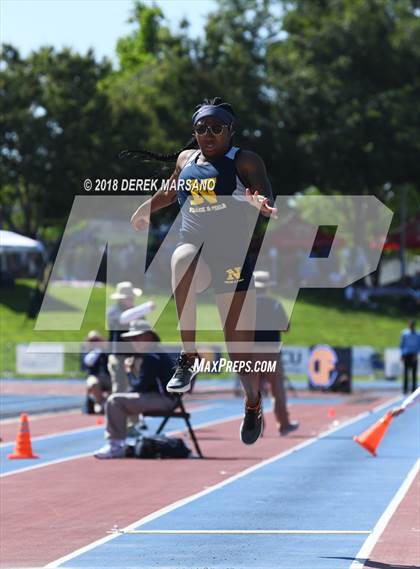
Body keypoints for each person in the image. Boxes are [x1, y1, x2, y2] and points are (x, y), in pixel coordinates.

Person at [127, 97, 277, 445]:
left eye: (215, 128)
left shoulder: (244, 161)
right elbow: (171, 189)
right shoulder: (186, 159)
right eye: (200, 128)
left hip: (231, 261)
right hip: (195, 249)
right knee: (181, 260)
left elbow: (264, 194)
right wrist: (145, 208)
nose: (207, 134)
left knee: (239, 353)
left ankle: (253, 402)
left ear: (230, 131)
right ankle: (188, 355)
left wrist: (262, 203)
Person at [94, 320, 177, 459]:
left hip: (165, 400)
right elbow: (143, 387)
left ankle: (116, 445)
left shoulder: (152, 356)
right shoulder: (152, 353)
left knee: (115, 401)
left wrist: (129, 372)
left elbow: (141, 386)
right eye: (132, 338)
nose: (134, 341)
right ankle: (120, 441)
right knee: (118, 400)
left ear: (149, 337)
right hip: (162, 397)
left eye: (137, 337)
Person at [253, 270, 299, 435]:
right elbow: (285, 327)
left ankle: (257, 427)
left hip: (251, 352)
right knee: (277, 389)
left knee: (253, 391)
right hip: (272, 351)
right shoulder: (275, 304)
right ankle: (283, 424)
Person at [107, 281, 143, 393]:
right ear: (121, 299)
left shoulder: (136, 312)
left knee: (136, 385)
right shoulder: (113, 311)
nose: (132, 299)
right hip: (119, 354)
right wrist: (146, 308)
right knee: (119, 385)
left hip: (135, 355)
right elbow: (123, 319)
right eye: (129, 297)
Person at [81, 330, 111, 414]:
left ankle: (107, 403)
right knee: (93, 383)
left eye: (97, 340)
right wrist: (97, 350)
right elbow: (88, 362)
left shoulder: (106, 350)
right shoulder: (86, 351)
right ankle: (101, 403)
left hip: (108, 377)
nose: (95, 342)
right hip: (95, 376)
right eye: (92, 340)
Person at [400, 320, 419, 394]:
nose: (411, 327)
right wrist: (402, 354)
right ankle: (405, 389)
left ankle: (413, 389)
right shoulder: (405, 334)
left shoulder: (418, 334)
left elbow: (419, 345)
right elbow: (402, 344)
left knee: (414, 373)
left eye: (412, 325)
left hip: (414, 355)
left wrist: (416, 353)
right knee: (406, 373)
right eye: (410, 325)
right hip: (406, 354)